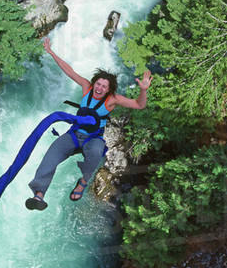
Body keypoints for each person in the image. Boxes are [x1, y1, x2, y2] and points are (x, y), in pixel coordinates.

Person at [25, 37, 152, 211]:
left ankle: (83, 182)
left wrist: (143, 90)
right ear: (94, 84)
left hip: (93, 138)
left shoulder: (112, 100)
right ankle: (38, 194)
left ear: (109, 89)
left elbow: (139, 105)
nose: (99, 88)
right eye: (98, 84)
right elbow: (69, 71)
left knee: (96, 152)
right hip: (74, 135)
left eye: (104, 87)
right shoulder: (86, 87)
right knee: (51, 155)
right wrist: (51, 52)